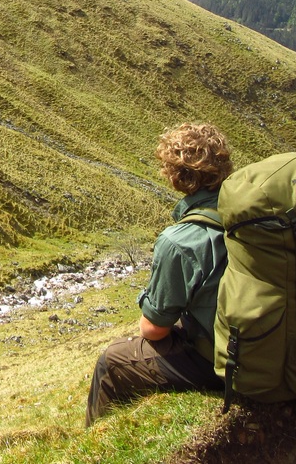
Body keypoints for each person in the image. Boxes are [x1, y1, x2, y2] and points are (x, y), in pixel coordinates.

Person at [85, 122, 234, 426]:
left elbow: (153, 329)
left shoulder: (179, 240)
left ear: (177, 177)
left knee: (112, 361)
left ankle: (98, 443)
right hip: (279, 345)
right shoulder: (254, 212)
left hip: (225, 364)